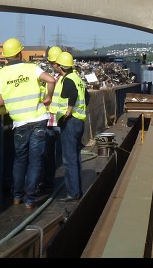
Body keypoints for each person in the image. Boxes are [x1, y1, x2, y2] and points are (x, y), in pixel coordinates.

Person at [0, 37, 57, 209]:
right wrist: (48, 97)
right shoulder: (32, 68)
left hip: (19, 123)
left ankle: (16, 196)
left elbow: (0, 103)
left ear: (6, 57)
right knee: (35, 160)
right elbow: (51, 80)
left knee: (20, 160)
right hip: (38, 120)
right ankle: (30, 199)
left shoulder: (0, 74)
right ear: (20, 53)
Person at [50, 51, 89, 202]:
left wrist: (67, 112)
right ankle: (77, 190)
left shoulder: (67, 80)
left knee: (69, 159)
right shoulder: (77, 78)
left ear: (61, 67)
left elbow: (72, 95)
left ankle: (72, 193)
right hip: (79, 121)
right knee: (76, 157)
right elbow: (86, 96)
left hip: (71, 122)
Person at [39, 46, 63, 193]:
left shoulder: (55, 80)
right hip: (59, 120)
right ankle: (49, 182)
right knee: (54, 155)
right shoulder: (64, 78)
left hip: (53, 121)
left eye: (53, 63)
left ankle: (47, 183)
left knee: (48, 155)